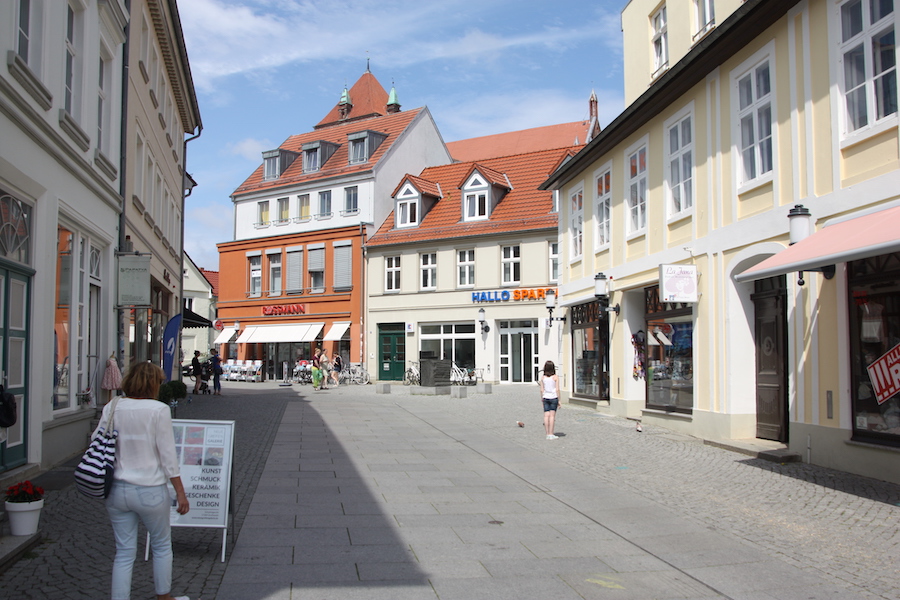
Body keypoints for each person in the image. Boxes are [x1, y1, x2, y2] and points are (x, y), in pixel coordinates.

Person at [94, 362, 191, 600]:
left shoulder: (112, 406)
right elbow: (168, 455)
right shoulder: (158, 410)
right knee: (161, 546)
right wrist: (180, 491)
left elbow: (97, 441)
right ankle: (163, 597)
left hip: (116, 488)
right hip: (150, 488)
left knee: (124, 552)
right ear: (153, 384)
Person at [538, 360, 560, 440]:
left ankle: (547, 433)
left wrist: (542, 399)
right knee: (552, 416)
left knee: (546, 416)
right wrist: (559, 400)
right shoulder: (555, 377)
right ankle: (551, 433)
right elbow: (557, 389)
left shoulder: (543, 378)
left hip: (545, 397)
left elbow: (541, 390)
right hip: (553, 397)